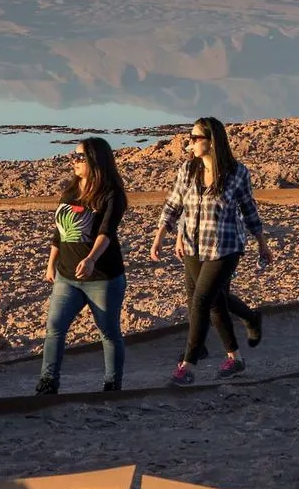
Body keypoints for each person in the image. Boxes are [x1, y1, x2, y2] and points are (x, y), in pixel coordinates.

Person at [152, 116, 272, 386]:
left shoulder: (237, 173)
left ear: (211, 141)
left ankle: (188, 365)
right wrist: (162, 235)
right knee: (215, 303)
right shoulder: (188, 169)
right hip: (193, 245)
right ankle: (237, 355)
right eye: (190, 138)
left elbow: (249, 210)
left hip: (225, 247)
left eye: (195, 138)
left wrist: (262, 242)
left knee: (201, 300)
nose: (190, 143)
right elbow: (174, 204)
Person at [37, 137, 128, 394]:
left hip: (102, 277)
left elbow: (106, 231)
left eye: (79, 157)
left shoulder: (111, 194)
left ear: (95, 161)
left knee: (108, 332)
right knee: (55, 326)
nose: (73, 161)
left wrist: (91, 259)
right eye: (73, 156)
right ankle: (48, 381)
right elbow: (60, 231)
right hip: (67, 276)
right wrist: (51, 263)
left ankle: (112, 383)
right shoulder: (71, 190)